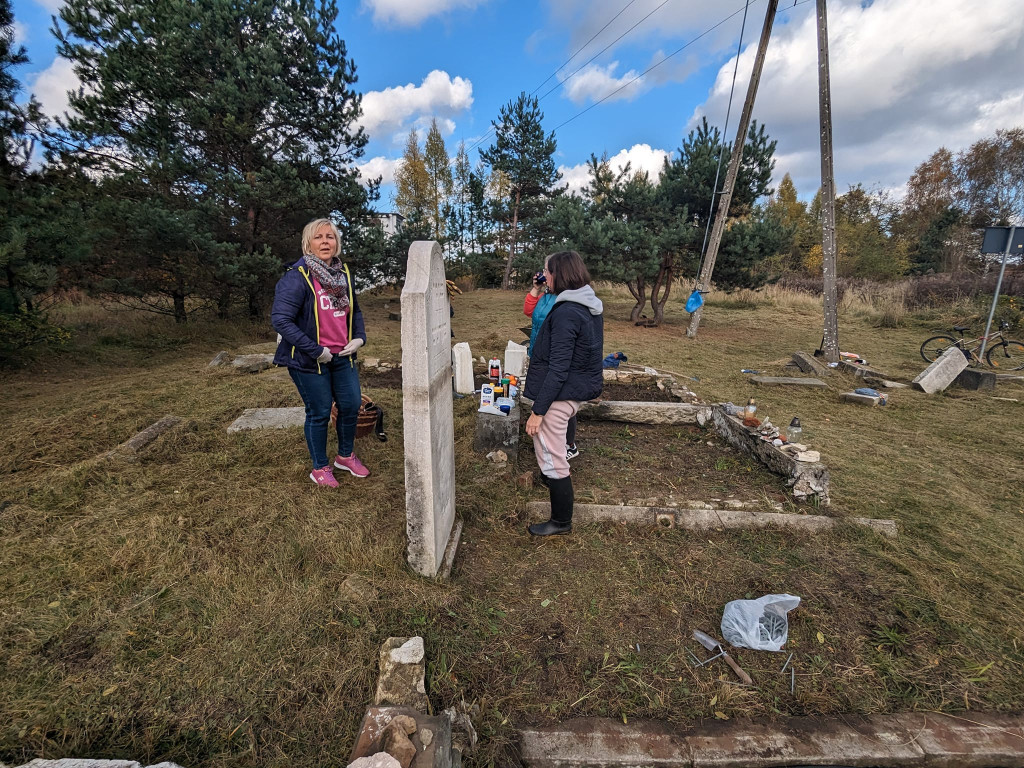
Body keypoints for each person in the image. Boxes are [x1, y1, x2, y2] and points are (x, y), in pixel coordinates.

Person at [272, 218, 369, 487]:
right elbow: (281, 321)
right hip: (308, 359)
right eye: (319, 237)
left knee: (350, 406)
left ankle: (345, 456)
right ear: (308, 244)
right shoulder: (297, 276)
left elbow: (355, 311)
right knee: (320, 411)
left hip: (342, 356)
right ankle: (319, 467)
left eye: (330, 237)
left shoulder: (343, 275)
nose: (325, 241)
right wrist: (316, 351)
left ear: (337, 243)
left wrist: (359, 338)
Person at [524, 250, 603, 536]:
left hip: (559, 395)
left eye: (547, 271)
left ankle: (560, 521)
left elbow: (558, 368)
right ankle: (556, 496)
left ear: (559, 273)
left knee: (551, 456)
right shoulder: (585, 303)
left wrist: (538, 412)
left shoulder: (567, 312)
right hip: (574, 390)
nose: (544, 276)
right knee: (553, 455)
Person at [524, 270, 579, 461]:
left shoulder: (567, 300)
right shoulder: (546, 296)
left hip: (556, 355)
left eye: (547, 271)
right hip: (539, 353)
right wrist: (536, 289)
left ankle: (569, 444)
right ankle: (548, 438)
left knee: (561, 398)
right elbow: (528, 310)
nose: (543, 274)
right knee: (544, 396)